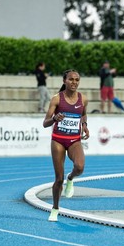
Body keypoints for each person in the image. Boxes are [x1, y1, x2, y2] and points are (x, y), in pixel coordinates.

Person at [43, 69, 89, 222]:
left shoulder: (83, 99)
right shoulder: (57, 99)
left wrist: (85, 125)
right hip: (58, 140)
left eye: (77, 80)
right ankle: (55, 208)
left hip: (74, 140)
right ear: (64, 81)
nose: (74, 82)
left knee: (80, 167)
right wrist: (55, 118)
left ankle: (71, 178)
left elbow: (83, 113)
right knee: (58, 178)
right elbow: (45, 123)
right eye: (71, 79)